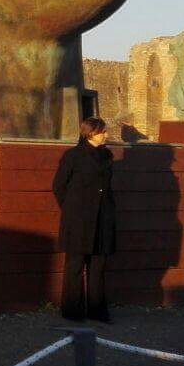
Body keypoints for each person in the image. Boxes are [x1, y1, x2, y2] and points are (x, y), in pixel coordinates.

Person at [52, 116, 116, 322]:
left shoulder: (107, 156)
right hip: (78, 220)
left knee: (98, 266)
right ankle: (72, 310)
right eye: (102, 131)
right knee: (75, 265)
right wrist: (72, 209)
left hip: (102, 219)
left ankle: (97, 310)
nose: (106, 134)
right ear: (90, 133)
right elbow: (59, 186)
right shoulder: (73, 156)